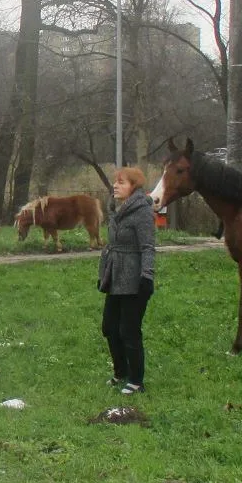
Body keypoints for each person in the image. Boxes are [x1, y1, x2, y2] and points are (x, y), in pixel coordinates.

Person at [97, 167, 157, 395]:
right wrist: (104, 275)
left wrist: (147, 277)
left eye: (121, 182)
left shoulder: (141, 212)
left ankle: (136, 380)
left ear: (134, 186)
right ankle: (120, 372)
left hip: (134, 279)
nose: (115, 186)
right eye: (115, 182)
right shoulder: (117, 209)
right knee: (109, 327)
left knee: (129, 330)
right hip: (115, 277)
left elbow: (148, 247)